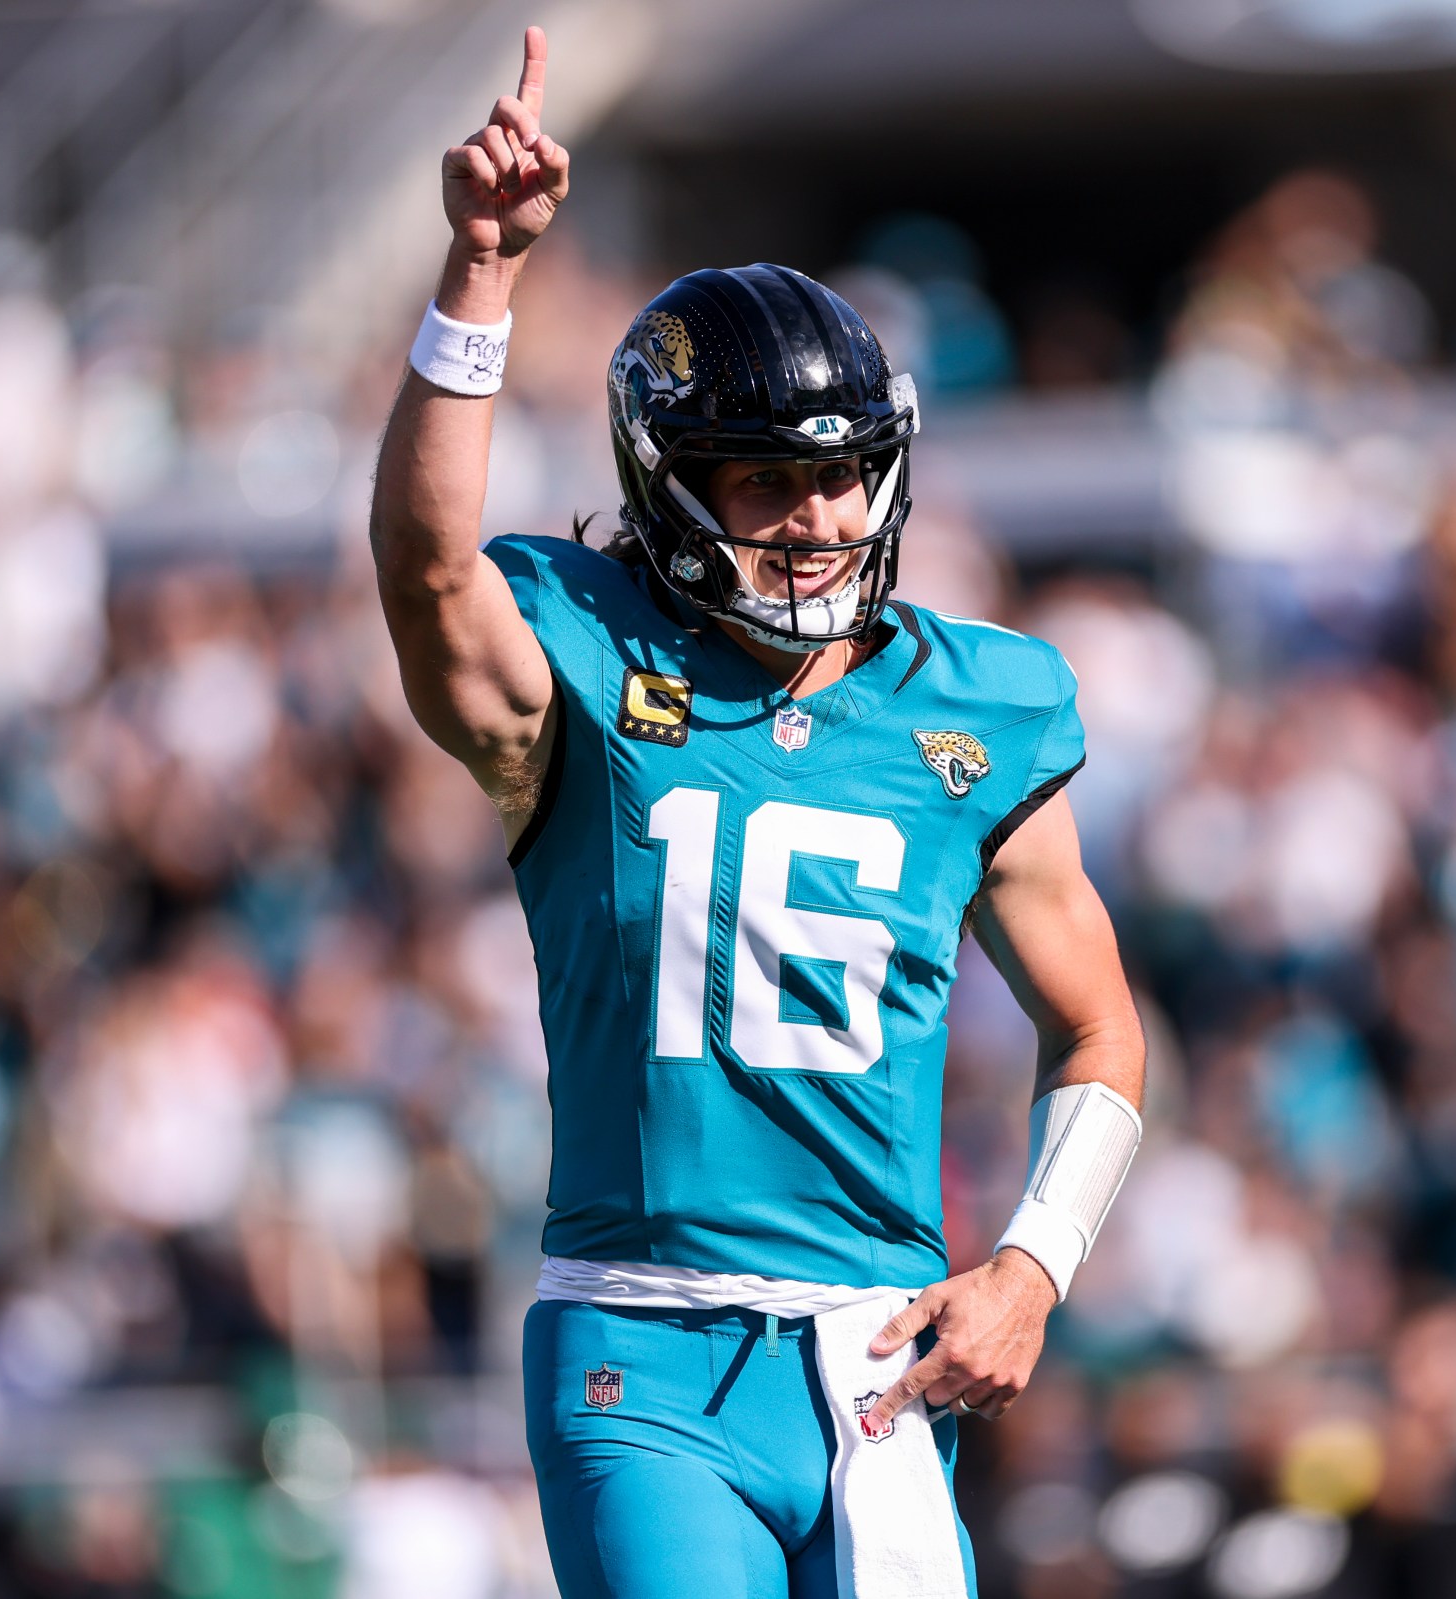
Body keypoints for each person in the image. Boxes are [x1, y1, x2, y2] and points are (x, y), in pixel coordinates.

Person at [369, 27, 1146, 1598]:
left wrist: (1036, 1266)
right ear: (672, 490)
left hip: (880, 1347)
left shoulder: (975, 705)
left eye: (843, 474)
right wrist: (478, 278)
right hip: (644, 1349)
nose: (816, 520)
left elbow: (1101, 1032)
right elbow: (431, 576)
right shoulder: (589, 663)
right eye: (763, 485)